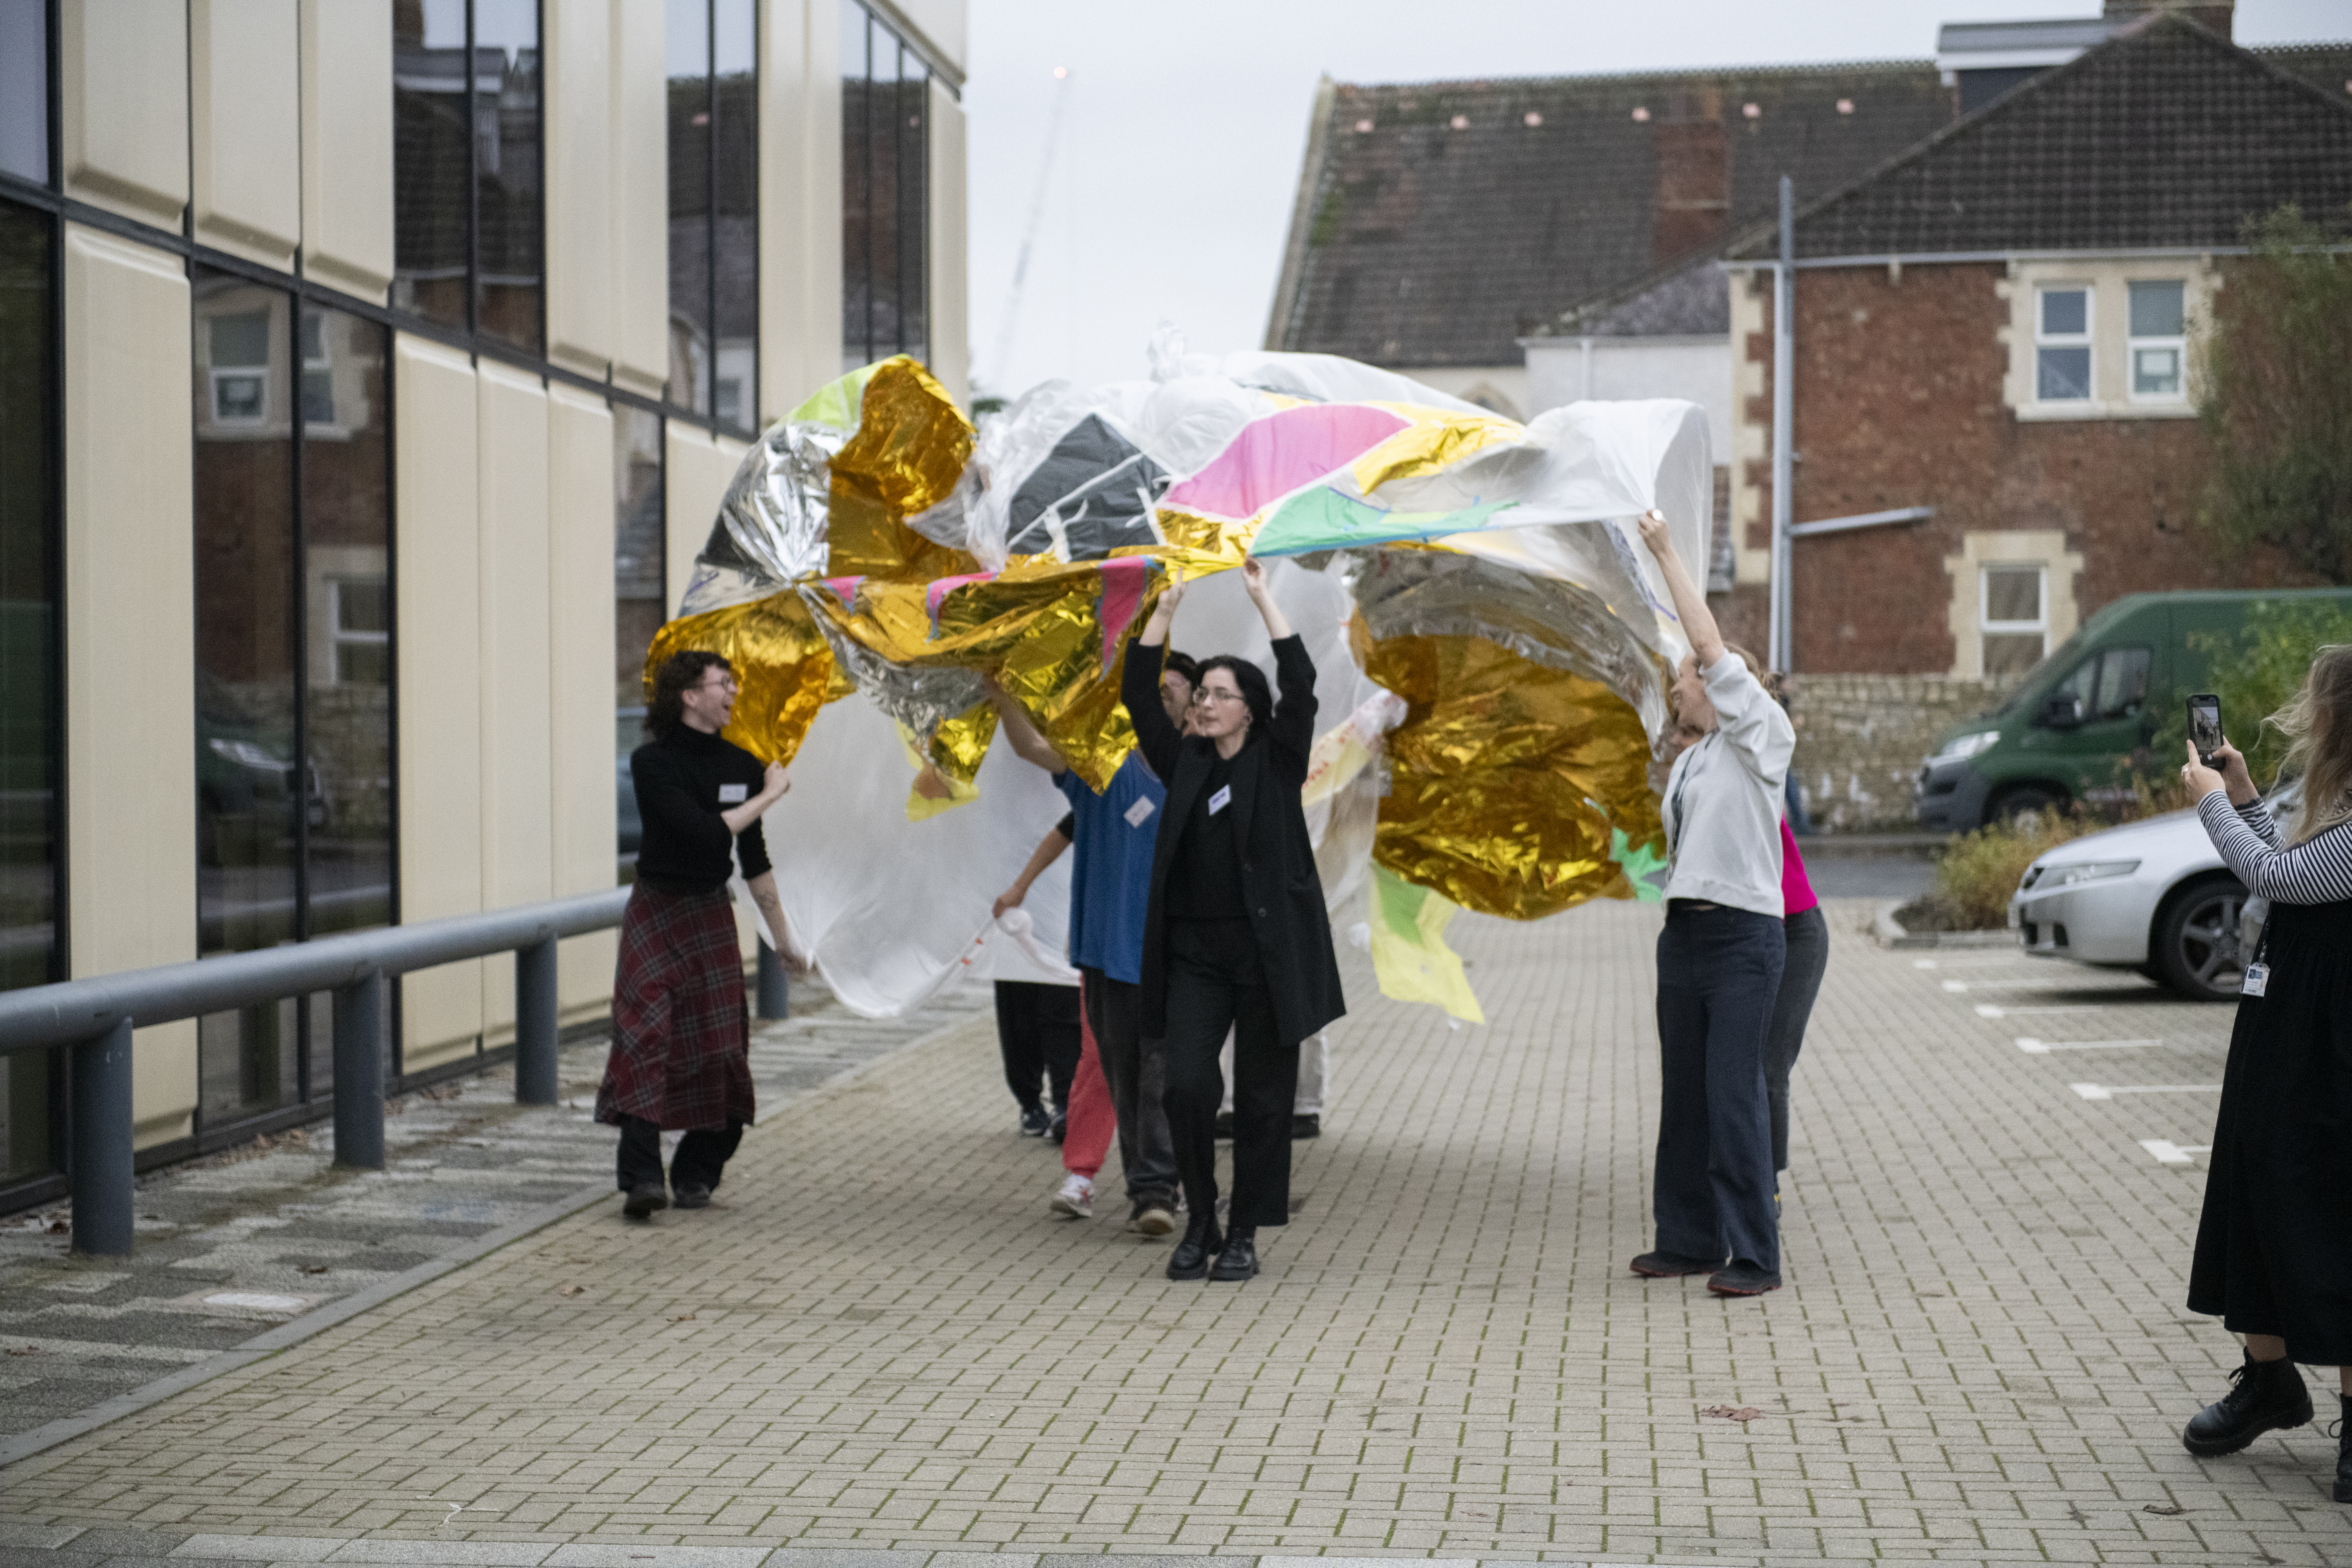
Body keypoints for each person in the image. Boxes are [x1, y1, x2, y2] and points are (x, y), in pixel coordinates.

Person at [1122, 557, 1345, 1283]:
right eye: (1203, 695)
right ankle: (1202, 1218)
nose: (1206, 704)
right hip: (1194, 954)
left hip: (1265, 953)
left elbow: (1302, 688)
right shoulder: (1183, 760)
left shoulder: (1278, 760)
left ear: (1249, 707)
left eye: (1221, 694)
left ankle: (1243, 1231)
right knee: (1185, 1084)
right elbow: (1136, 690)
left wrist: (1261, 598)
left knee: (1261, 1096)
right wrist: (1166, 608)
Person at [2176, 644, 2352, 1502]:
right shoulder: (2330, 803)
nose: (2303, 715)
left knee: (2332, 1199)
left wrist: (2210, 810)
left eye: (2314, 703)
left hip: (2334, 1035)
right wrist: (2240, 794)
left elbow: (2275, 874)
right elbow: (2285, 881)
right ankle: (2268, 1377)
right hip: (2281, 1017)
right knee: (2253, 1180)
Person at [1629, 509, 1795, 1298]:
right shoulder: (1694, 762)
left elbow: (1707, 645)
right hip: (1684, 939)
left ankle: (1755, 1255)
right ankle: (1688, 1240)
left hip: (1744, 944)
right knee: (1686, 1097)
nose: (1679, 686)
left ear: (1730, 685)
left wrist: (1664, 550)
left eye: (1689, 678)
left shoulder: (1763, 735)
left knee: (1734, 1095)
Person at [988, 658, 1195, 1238]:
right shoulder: (1107, 766)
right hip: (1108, 952)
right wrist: (1004, 698)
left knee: (1162, 1073)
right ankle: (1144, 1183)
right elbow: (1034, 749)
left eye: (1170, 690)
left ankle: (1156, 1188)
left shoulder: (1202, 774)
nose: (1158, 699)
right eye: (1150, 690)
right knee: (1120, 1073)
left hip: (1176, 954)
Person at [600, 651, 794, 1220]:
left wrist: (783, 938)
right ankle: (641, 1178)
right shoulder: (651, 762)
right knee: (644, 1038)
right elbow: (703, 834)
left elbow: (753, 860)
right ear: (689, 695)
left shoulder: (744, 765)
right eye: (722, 683)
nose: (734, 691)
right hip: (656, 911)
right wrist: (770, 795)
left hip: (710, 913)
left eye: (734, 682)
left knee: (723, 1048)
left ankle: (697, 1172)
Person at [994, 816, 1122, 1222]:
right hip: (1103, 942)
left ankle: (1166, 1180)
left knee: (1165, 1063)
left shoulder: (1187, 772)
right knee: (1097, 1058)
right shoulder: (1107, 777)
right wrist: (1020, 887)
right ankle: (1081, 1174)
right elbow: (1068, 827)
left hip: (1167, 941)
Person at [991, 821, 1083, 1140]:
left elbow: (1103, 780)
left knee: (1063, 997)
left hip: (1062, 879)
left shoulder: (1077, 769)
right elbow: (946, 784)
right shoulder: (988, 767)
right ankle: (1029, 1100)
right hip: (1007, 876)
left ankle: (1065, 1102)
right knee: (1017, 999)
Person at [1765, 818, 1828, 1199]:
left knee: (1770, 1062)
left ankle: (1767, 1183)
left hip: (1797, 933)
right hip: (1748, 936)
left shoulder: (1753, 773)